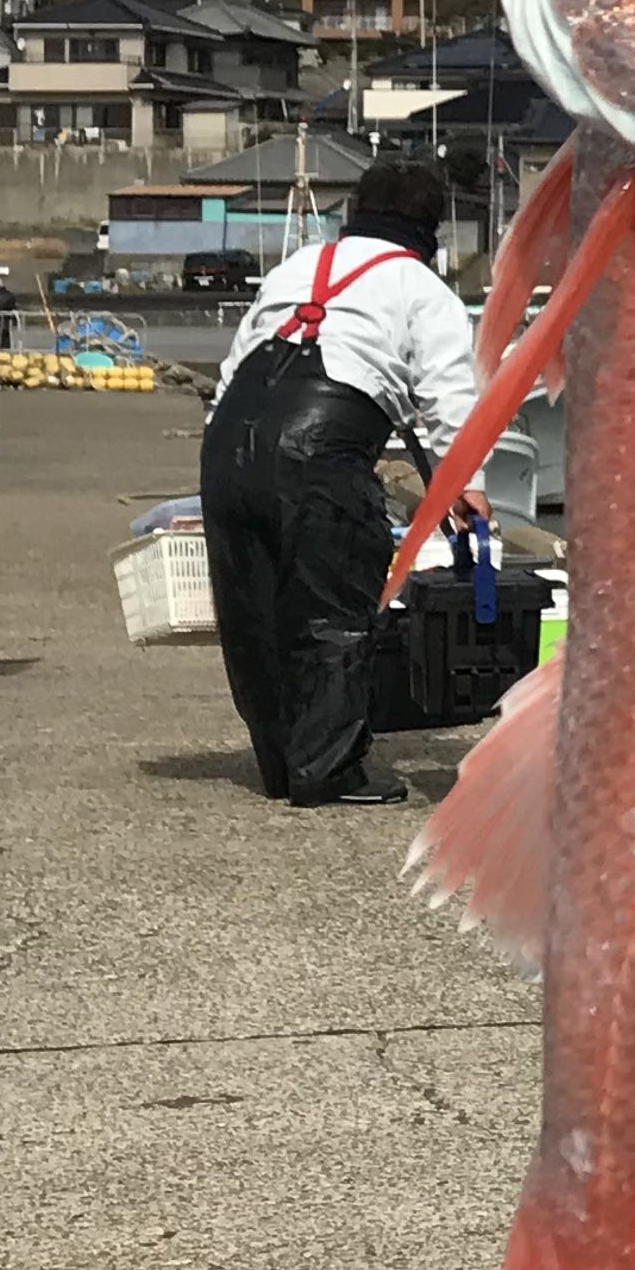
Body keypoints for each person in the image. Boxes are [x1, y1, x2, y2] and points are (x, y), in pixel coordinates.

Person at [200, 156, 482, 809]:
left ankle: (280, 762)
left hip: (230, 440)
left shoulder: (298, 266)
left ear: (354, 212)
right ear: (431, 228)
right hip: (319, 442)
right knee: (333, 604)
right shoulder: (421, 288)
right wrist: (467, 483)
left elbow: (236, 361)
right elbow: (448, 396)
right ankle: (327, 769)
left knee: (253, 610)